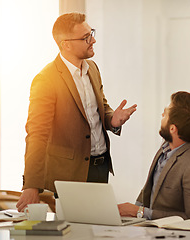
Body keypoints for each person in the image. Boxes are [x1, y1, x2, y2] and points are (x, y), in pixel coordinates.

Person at [16, 12, 137, 212]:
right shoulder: (46, 79)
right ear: (66, 44)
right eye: (86, 37)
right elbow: (36, 134)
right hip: (70, 174)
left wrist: (112, 120)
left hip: (100, 166)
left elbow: (100, 109)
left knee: (98, 228)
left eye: (92, 34)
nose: (93, 40)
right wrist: (31, 185)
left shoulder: (92, 68)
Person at [118, 91, 190, 220]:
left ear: (173, 129)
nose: (162, 115)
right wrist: (130, 214)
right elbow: (149, 189)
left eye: (165, 114)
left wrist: (139, 212)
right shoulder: (168, 144)